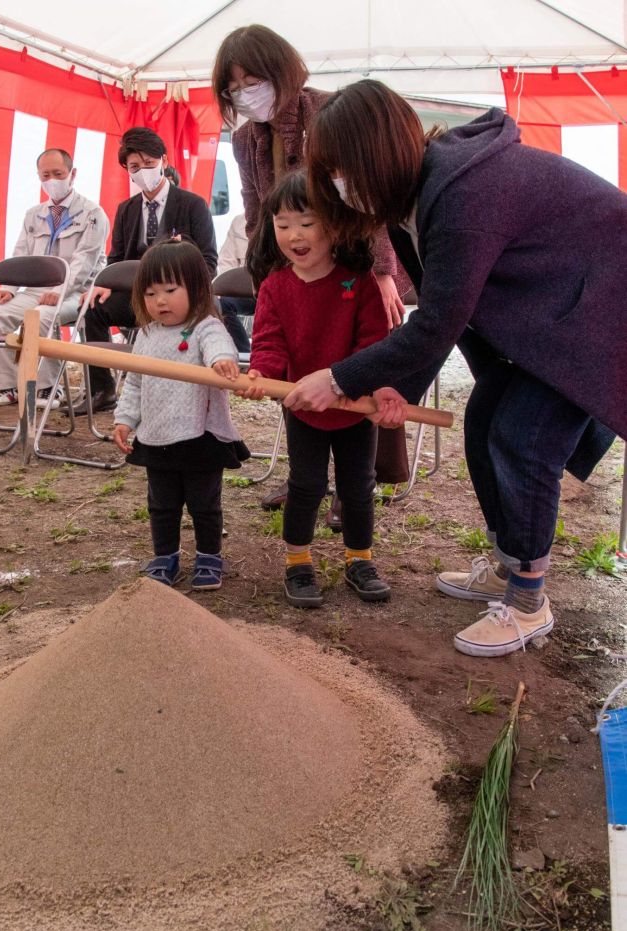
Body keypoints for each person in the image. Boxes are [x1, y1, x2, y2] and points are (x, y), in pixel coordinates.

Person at [285, 78, 626, 657]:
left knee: (524, 440)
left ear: (383, 153)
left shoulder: (467, 194)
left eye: (347, 167)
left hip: (601, 310)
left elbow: (437, 321)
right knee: (483, 419)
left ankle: (527, 600)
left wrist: (340, 377)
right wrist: (399, 387)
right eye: (331, 171)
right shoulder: (407, 202)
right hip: (552, 310)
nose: (340, 184)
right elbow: (459, 316)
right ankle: (509, 562)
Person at [212, 24, 413, 520]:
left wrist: (383, 271)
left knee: (362, 359)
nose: (244, 94)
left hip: (353, 261)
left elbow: (368, 195)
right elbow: (256, 208)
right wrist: (266, 280)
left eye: (252, 80)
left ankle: (357, 484)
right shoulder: (245, 140)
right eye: (233, 88)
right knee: (297, 362)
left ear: (282, 70)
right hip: (293, 264)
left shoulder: (327, 112)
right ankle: (307, 477)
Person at [238, 171, 393, 609]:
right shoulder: (274, 286)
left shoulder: (357, 282)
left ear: (335, 225)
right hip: (303, 407)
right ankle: (297, 562)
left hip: (355, 408)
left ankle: (360, 559)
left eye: (306, 222)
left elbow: (374, 344)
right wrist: (261, 376)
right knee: (305, 485)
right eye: (282, 224)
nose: (294, 235)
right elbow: (268, 342)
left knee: (358, 486)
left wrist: (363, 387)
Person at [113, 240, 248, 589]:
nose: (160, 300)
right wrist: (124, 420)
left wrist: (221, 360)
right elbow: (135, 382)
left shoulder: (206, 326)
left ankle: (208, 557)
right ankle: (165, 557)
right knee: (161, 504)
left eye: (170, 290)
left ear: (197, 289)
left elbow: (220, 347)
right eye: (150, 292)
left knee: (204, 503)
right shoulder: (146, 335)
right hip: (157, 435)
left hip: (199, 435)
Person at [75, 127, 218, 415]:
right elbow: (115, 258)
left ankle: (176, 392)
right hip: (136, 295)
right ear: (127, 171)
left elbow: (209, 262)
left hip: (179, 297)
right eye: (135, 167)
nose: (143, 171)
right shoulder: (126, 209)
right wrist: (105, 282)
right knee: (94, 308)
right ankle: (102, 389)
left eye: (149, 164)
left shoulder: (192, 205)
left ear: (164, 161)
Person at [0, 148, 108, 408]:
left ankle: (49, 389)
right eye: (45, 175)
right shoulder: (33, 214)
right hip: (36, 291)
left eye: (58, 174)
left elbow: (84, 261)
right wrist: (8, 288)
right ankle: (9, 388)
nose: (52, 180)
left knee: (41, 316)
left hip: (77, 291)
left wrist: (62, 290)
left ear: (72, 174)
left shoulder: (92, 214)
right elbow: (20, 255)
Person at [217, 213, 252, 352]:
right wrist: (235, 284)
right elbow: (226, 260)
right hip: (246, 291)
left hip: (276, 290)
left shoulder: (278, 219)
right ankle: (243, 351)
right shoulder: (239, 221)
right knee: (221, 304)